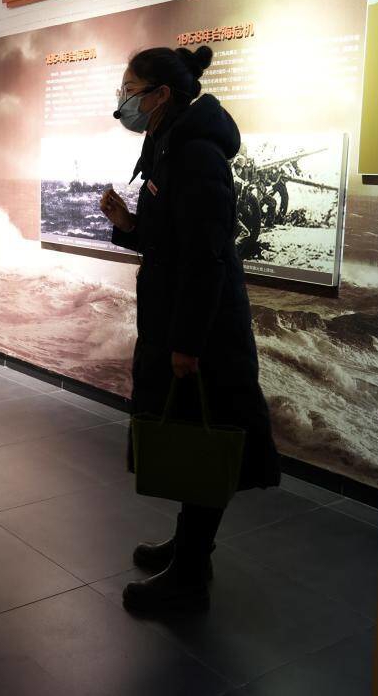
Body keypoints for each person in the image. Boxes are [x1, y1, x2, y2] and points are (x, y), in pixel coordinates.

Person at [98, 46, 281, 615]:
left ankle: (191, 574)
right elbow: (171, 239)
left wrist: (187, 343)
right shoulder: (168, 142)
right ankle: (188, 545)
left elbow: (206, 258)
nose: (123, 100)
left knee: (203, 438)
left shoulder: (196, 154)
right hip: (179, 319)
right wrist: (128, 225)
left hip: (203, 332)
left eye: (131, 89)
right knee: (185, 432)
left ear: (161, 95)